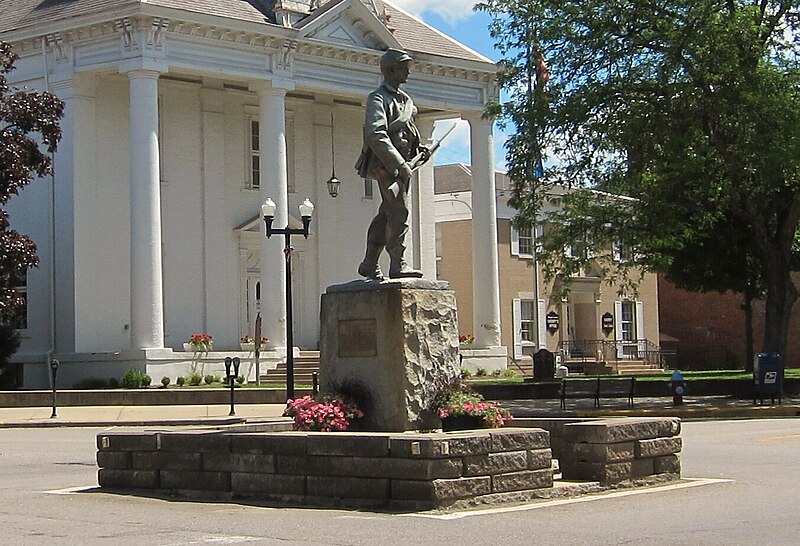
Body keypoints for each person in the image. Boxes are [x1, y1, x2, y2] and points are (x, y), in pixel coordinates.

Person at [355, 48, 430, 280]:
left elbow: (407, 131)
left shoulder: (405, 101)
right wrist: (398, 164)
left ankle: (369, 262)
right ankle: (398, 263)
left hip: (403, 164)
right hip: (386, 164)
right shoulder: (378, 98)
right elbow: (376, 134)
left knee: (387, 213)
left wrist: (418, 151)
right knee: (400, 211)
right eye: (404, 66)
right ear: (391, 69)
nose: (408, 71)